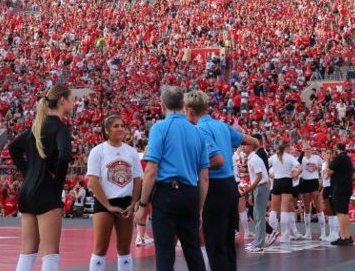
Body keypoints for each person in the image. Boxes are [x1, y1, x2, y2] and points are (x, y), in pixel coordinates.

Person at [134, 86, 209, 271]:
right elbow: (204, 177)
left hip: (166, 194)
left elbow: (151, 170)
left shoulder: (159, 128)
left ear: (162, 105)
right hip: (190, 194)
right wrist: (199, 209)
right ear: (184, 104)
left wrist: (142, 205)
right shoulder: (198, 132)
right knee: (193, 250)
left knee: (165, 253)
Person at [186, 90, 259, 271]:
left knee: (215, 243)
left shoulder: (200, 129)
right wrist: (256, 144)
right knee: (227, 242)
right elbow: (249, 140)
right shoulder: (221, 125)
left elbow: (217, 160)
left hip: (215, 188)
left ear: (189, 110)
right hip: (230, 186)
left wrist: (193, 167)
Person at [8, 85, 75, 271]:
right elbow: (65, 156)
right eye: (72, 99)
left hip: (27, 191)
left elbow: (13, 148)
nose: (74, 103)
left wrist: (28, 172)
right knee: (50, 253)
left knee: (27, 252)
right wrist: (57, 182)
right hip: (46, 191)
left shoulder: (36, 127)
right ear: (62, 101)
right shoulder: (60, 128)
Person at [87, 115, 143, 271]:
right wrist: (108, 206)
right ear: (107, 130)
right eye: (116, 126)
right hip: (104, 202)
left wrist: (133, 203)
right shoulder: (97, 151)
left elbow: (137, 180)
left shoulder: (131, 152)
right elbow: (93, 181)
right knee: (100, 248)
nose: (120, 129)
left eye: (122, 126)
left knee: (124, 249)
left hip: (125, 203)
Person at [268, 141, 301, 243]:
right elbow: (300, 168)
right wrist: (295, 175)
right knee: (284, 209)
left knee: (273, 210)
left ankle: (271, 234)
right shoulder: (290, 157)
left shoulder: (274, 157)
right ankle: (285, 235)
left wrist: (270, 175)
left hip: (276, 182)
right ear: (286, 148)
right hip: (287, 181)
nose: (290, 150)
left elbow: (265, 166)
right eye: (289, 148)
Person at [326, 142, 354, 246]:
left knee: (340, 213)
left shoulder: (339, 158)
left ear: (337, 149)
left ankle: (343, 236)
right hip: (347, 188)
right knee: (345, 213)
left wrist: (326, 160)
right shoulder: (347, 158)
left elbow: (328, 172)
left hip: (339, 188)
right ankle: (348, 236)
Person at [297, 143, 326, 239]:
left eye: (309, 149)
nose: (308, 150)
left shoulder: (316, 158)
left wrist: (318, 168)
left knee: (318, 206)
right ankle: (308, 232)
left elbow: (323, 166)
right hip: (304, 182)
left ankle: (323, 232)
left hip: (314, 181)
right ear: (303, 150)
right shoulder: (302, 158)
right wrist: (302, 153)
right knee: (306, 207)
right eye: (306, 149)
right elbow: (297, 163)